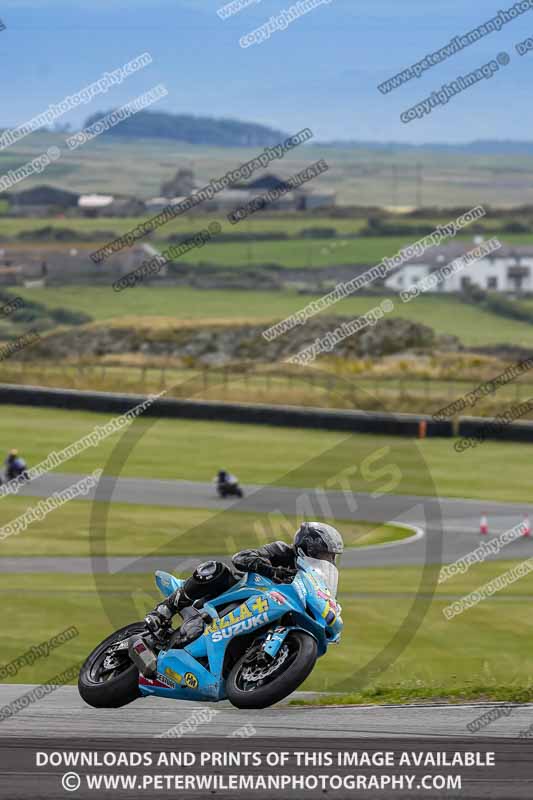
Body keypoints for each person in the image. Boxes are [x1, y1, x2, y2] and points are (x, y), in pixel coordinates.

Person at [128, 522, 344, 677]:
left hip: (271, 610)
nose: (328, 560)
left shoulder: (313, 579)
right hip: (239, 593)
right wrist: (272, 570)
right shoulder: (281, 551)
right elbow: (240, 558)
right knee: (215, 570)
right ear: (308, 547)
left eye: (330, 557)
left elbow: (319, 596)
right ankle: (165, 610)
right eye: (324, 554)